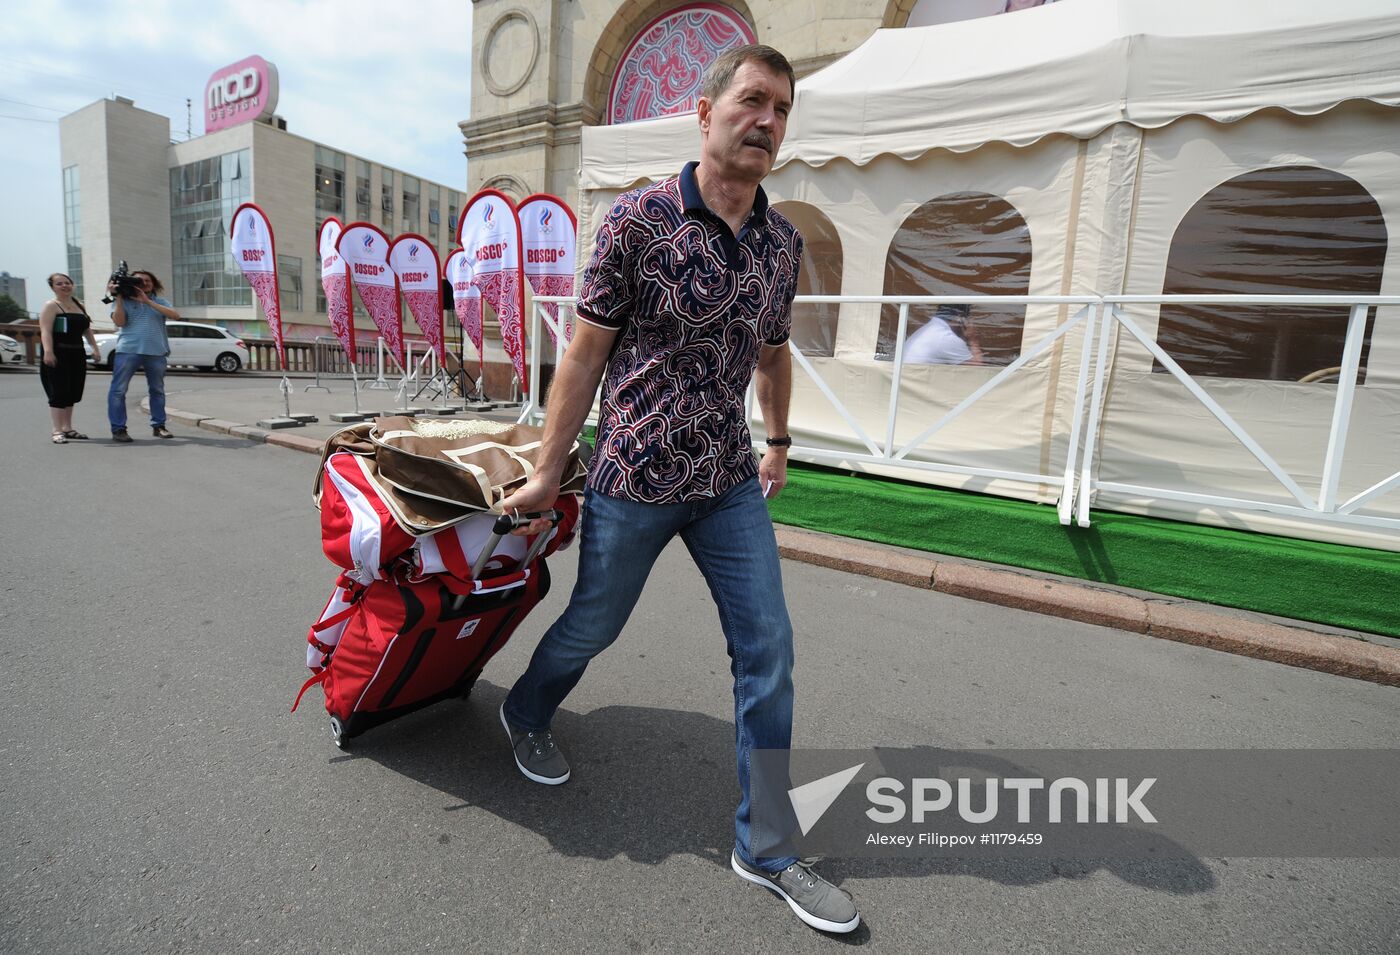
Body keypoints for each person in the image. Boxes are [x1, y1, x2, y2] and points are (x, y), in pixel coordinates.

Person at [494, 45, 860, 934]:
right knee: (595, 624)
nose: (767, 121)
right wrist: (546, 467)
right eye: (752, 100)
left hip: (727, 478)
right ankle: (526, 708)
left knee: (768, 647)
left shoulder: (782, 244)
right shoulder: (637, 220)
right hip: (634, 473)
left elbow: (773, 352)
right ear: (705, 113)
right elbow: (584, 353)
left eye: (781, 109)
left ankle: (765, 845)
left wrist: (778, 442)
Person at [107, 269, 179, 442]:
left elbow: (175, 316)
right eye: (139, 281)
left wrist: (147, 301)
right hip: (128, 350)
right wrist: (118, 296)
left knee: (157, 390)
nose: (144, 283)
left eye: (148, 280)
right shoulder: (122, 301)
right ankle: (119, 429)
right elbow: (120, 322)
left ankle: (159, 426)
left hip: (156, 351)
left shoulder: (160, 302)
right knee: (118, 390)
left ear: (154, 284)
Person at [38, 273, 103, 444]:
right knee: (58, 391)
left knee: (73, 391)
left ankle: (67, 428)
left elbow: (87, 330)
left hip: (77, 353)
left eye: (67, 283)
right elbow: (45, 331)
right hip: (58, 353)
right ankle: (57, 430)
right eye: (59, 283)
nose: (64, 286)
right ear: (53, 287)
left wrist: (95, 348)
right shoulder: (51, 306)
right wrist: (48, 352)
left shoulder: (79, 305)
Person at [902, 303, 984, 365]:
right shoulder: (946, 337)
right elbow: (977, 368)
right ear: (960, 318)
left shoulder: (932, 328)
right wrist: (973, 340)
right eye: (967, 320)